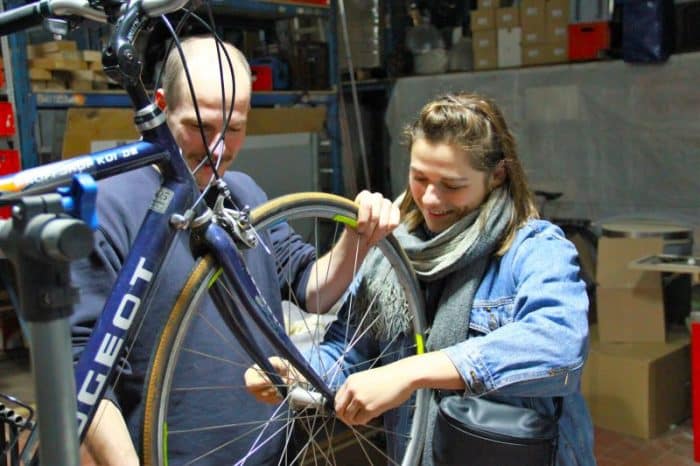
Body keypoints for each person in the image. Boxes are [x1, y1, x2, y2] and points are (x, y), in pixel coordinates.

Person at [71, 35, 399, 465]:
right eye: (200, 128)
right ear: (159, 106)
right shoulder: (109, 208)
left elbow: (311, 288)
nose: (219, 149)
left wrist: (358, 238)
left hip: (271, 452)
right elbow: (83, 373)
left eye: (235, 128)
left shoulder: (242, 193)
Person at [246, 92, 596, 465]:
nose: (430, 198)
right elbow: (350, 352)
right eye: (419, 178)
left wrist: (411, 372)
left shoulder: (533, 249)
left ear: (496, 175)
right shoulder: (392, 257)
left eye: (451, 185)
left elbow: (559, 343)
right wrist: (297, 372)